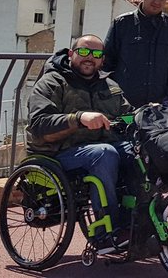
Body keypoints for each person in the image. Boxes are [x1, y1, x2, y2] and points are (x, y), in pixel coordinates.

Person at [26, 34, 135, 251]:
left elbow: (127, 115)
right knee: (104, 153)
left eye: (96, 54)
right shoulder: (52, 82)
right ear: (71, 54)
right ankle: (106, 233)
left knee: (139, 152)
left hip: (100, 148)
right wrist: (78, 118)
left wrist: (144, 116)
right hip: (58, 153)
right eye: (84, 52)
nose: (90, 58)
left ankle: (136, 225)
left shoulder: (109, 85)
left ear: (102, 60)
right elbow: (39, 124)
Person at [103, 0, 168, 108]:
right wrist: (112, 97)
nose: (157, 1)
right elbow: (106, 63)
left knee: (159, 129)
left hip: (159, 105)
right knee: (126, 128)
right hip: (125, 104)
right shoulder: (122, 24)